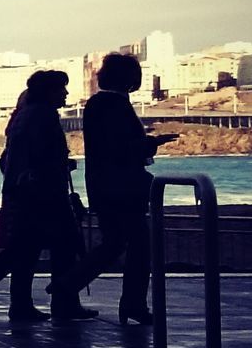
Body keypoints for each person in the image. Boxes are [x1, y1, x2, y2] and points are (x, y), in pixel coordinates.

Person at [53, 53, 177, 325]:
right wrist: (151, 143)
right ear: (130, 79)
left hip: (102, 184)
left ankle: (72, 284)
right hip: (123, 186)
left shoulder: (97, 104)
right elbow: (120, 148)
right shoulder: (115, 105)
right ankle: (130, 302)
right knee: (138, 245)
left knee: (114, 241)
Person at [0, 71, 95, 321]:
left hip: (28, 193)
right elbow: (43, 156)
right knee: (61, 246)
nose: (66, 93)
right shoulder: (43, 115)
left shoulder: (26, 115)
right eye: (62, 88)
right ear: (49, 91)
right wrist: (60, 166)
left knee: (24, 249)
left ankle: (10, 299)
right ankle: (62, 300)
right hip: (43, 194)